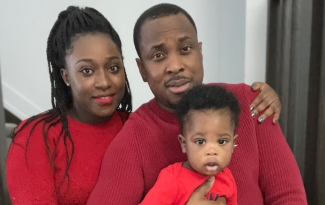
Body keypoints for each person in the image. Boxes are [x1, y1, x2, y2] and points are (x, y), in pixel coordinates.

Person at [87, 3, 307, 205]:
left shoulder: (252, 103)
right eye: (158, 55)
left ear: (200, 52)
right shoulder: (134, 138)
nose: (175, 65)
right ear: (142, 69)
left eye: (185, 49)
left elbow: (289, 197)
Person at [6, 6, 132, 204]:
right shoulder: (37, 137)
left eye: (113, 67)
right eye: (87, 71)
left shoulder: (136, 127)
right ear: (66, 76)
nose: (104, 82)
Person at [139, 85, 240, 205]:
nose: (212, 151)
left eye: (222, 141)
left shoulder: (227, 178)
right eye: (200, 141)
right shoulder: (172, 179)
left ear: (233, 143)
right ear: (184, 144)